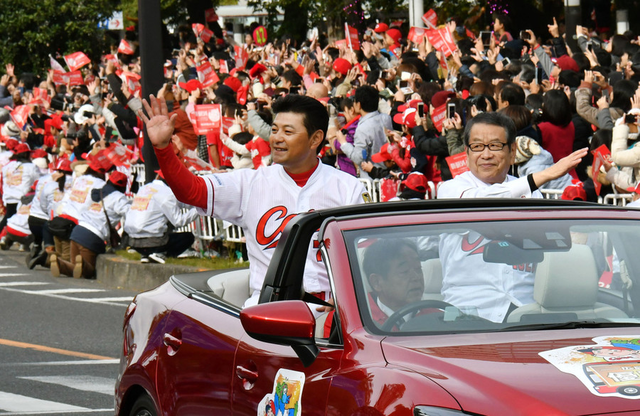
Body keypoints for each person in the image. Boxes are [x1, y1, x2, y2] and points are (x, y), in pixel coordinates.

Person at [139, 93, 369, 309]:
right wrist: (163, 149)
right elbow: (192, 192)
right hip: (267, 309)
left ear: (315, 138)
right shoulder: (250, 183)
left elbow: (366, 258)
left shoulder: (348, 188)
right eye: (275, 129)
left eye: (288, 132)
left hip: (332, 310)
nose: (277, 137)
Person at [437, 112, 588, 322]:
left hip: (526, 309)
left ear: (513, 150)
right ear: (467, 152)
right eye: (478, 146)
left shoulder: (533, 193)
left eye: (495, 146)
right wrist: (543, 175)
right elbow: (481, 203)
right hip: (468, 310)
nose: (486, 154)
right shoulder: (450, 189)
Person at [50, 171, 131, 279]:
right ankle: (83, 264)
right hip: (93, 235)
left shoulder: (98, 193)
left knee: (75, 268)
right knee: (90, 271)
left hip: (77, 231)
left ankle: (58, 263)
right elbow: (130, 214)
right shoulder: (119, 198)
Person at [123, 171, 199, 264]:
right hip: (154, 242)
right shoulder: (167, 193)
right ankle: (161, 254)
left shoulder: (144, 188)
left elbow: (180, 202)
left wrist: (195, 203)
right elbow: (179, 221)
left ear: (158, 176)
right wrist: (199, 209)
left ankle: (146, 255)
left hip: (133, 242)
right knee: (188, 237)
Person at [362, 238, 425, 327]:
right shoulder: (362, 323)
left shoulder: (437, 317)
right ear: (377, 282)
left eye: (418, 268)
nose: (416, 277)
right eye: (404, 271)